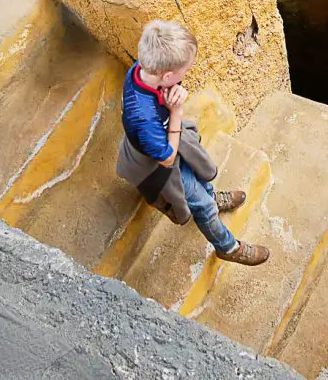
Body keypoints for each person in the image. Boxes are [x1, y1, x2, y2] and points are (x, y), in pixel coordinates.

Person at [115, 20, 270, 266]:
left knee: (200, 174)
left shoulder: (141, 70)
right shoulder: (142, 116)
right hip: (159, 163)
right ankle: (228, 247)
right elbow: (166, 158)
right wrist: (176, 111)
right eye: (184, 71)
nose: (185, 75)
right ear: (166, 75)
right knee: (204, 207)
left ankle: (211, 196)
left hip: (164, 139)